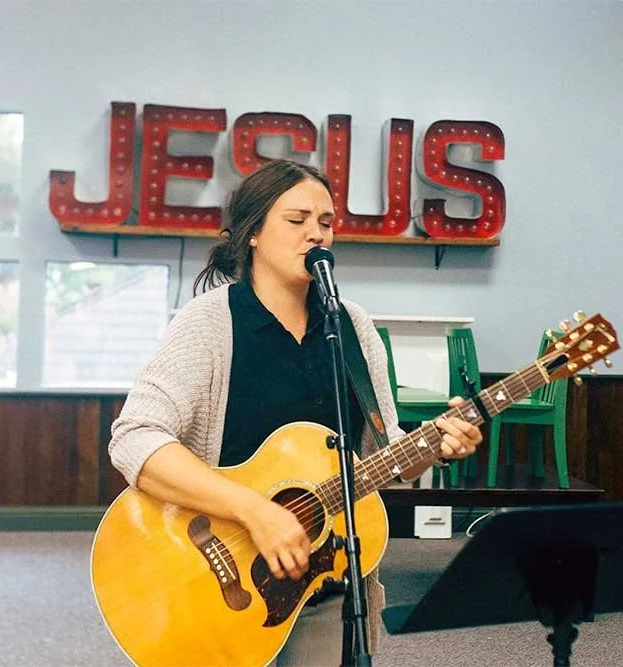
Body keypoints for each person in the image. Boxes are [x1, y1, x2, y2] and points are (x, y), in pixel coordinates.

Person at [108, 159, 482, 666]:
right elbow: (134, 437)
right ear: (254, 233)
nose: (316, 234)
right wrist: (254, 511)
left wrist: (434, 445)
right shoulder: (209, 324)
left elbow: (383, 455)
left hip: (325, 583)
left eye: (326, 223)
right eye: (297, 220)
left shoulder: (353, 327)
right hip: (218, 573)